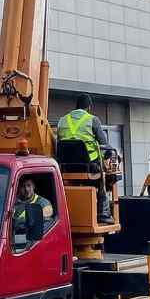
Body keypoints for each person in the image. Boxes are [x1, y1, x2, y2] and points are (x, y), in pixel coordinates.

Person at [57, 94, 115, 223]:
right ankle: (104, 214)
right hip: (88, 165)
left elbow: (58, 142)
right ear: (89, 107)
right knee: (103, 178)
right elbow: (103, 143)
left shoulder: (62, 120)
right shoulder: (92, 120)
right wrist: (108, 156)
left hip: (66, 167)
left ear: (76, 106)